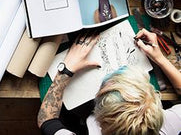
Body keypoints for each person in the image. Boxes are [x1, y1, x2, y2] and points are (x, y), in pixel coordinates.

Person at [38, 28, 181, 134]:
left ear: (101, 121)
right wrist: (160, 59)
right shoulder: (172, 122)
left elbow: (46, 120)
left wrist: (67, 69)